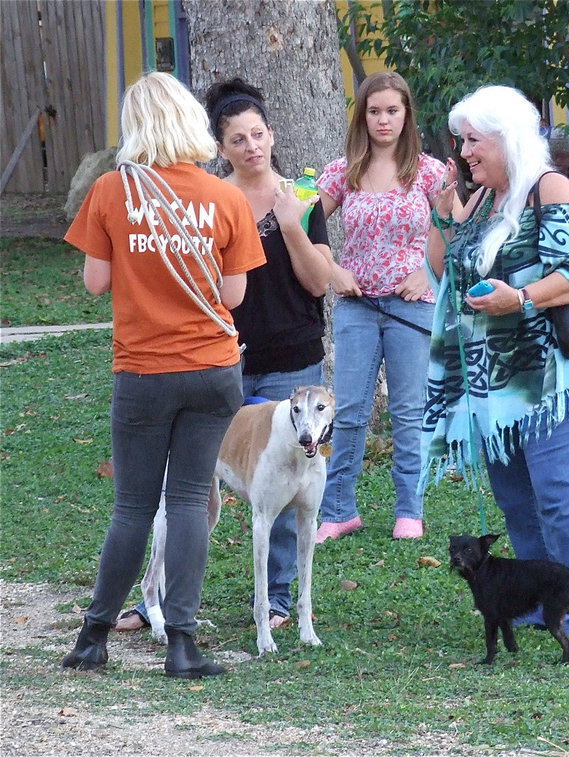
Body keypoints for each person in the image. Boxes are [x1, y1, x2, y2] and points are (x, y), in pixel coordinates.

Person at [61, 72, 265, 678]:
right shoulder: (225, 196)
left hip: (144, 370)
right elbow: (233, 293)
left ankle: (94, 638)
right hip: (212, 369)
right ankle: (182, 643)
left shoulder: (110, 191)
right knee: (187, 503)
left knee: (132, 507)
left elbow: (96, 282)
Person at [115, 77, 332, 634]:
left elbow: (319, 282)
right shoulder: (207, 199)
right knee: (189, 484)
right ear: (219, 144)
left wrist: (291, 227)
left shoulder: (301, 199)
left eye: (258, 134)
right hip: (220, 356)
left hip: (293, 358)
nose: (251, 146)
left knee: (293, 474)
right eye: (237, 139)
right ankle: (155, 600)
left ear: (272, 134)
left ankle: (279, 601)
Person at [421, 84, 569, 638]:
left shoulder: (548, 188)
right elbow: (445, 275)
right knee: (517, 503)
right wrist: (444, 216)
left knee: (560, 499)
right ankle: (545, 604)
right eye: (460, 141)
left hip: (548, 378)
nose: (464, 152)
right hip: (493, 385)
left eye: (473, 140)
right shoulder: (487, 200)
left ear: (506, 138)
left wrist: (521, 298)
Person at [315, 71, 457, 542]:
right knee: (351, 408)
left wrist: (429, 270)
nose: (383, 120)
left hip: (410, 305)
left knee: (409, 410)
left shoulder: (431, 171)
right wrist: (334, 271)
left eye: (392, 110)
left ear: (406, 114)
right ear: (362, 116)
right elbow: (306, 225)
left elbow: (456, 232)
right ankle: (338, 510)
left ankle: (409, 510)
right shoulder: (343, 172)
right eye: (374, 111)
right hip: (357, 305)